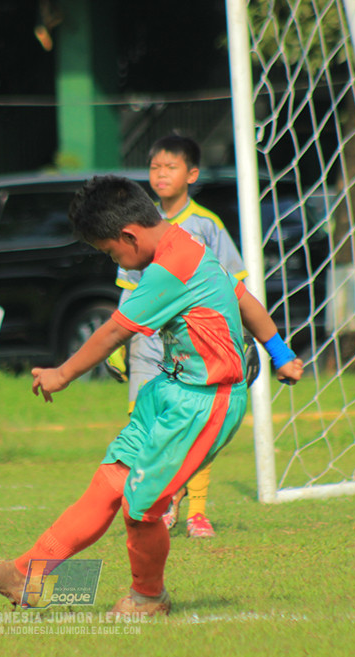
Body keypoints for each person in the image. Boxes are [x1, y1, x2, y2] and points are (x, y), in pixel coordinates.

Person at [0, 175, 304, 617]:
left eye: (111, 252)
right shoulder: (186, 244)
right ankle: (27, 575)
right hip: (169, 391)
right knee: (108, 484)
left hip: (203, 404)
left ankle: (149, 598)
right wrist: (280, 352)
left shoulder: (168, 269)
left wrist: (63, 373)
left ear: (128, 235)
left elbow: (115, 329)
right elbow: (243, 297)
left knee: (140, 510)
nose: (116, 261)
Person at [115, 134, 247, 539]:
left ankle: (197, 512)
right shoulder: (138, 227)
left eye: (170, 167)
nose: (161, 174)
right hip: (147, 343)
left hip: (193, 342)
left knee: (196, 420)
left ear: (191, 174)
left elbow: (232, 286)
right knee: (149, 423)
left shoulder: (207, 225)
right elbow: (129, 290)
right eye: (155, 167)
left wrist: (249, 339)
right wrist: (119, 344)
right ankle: (163, 502)